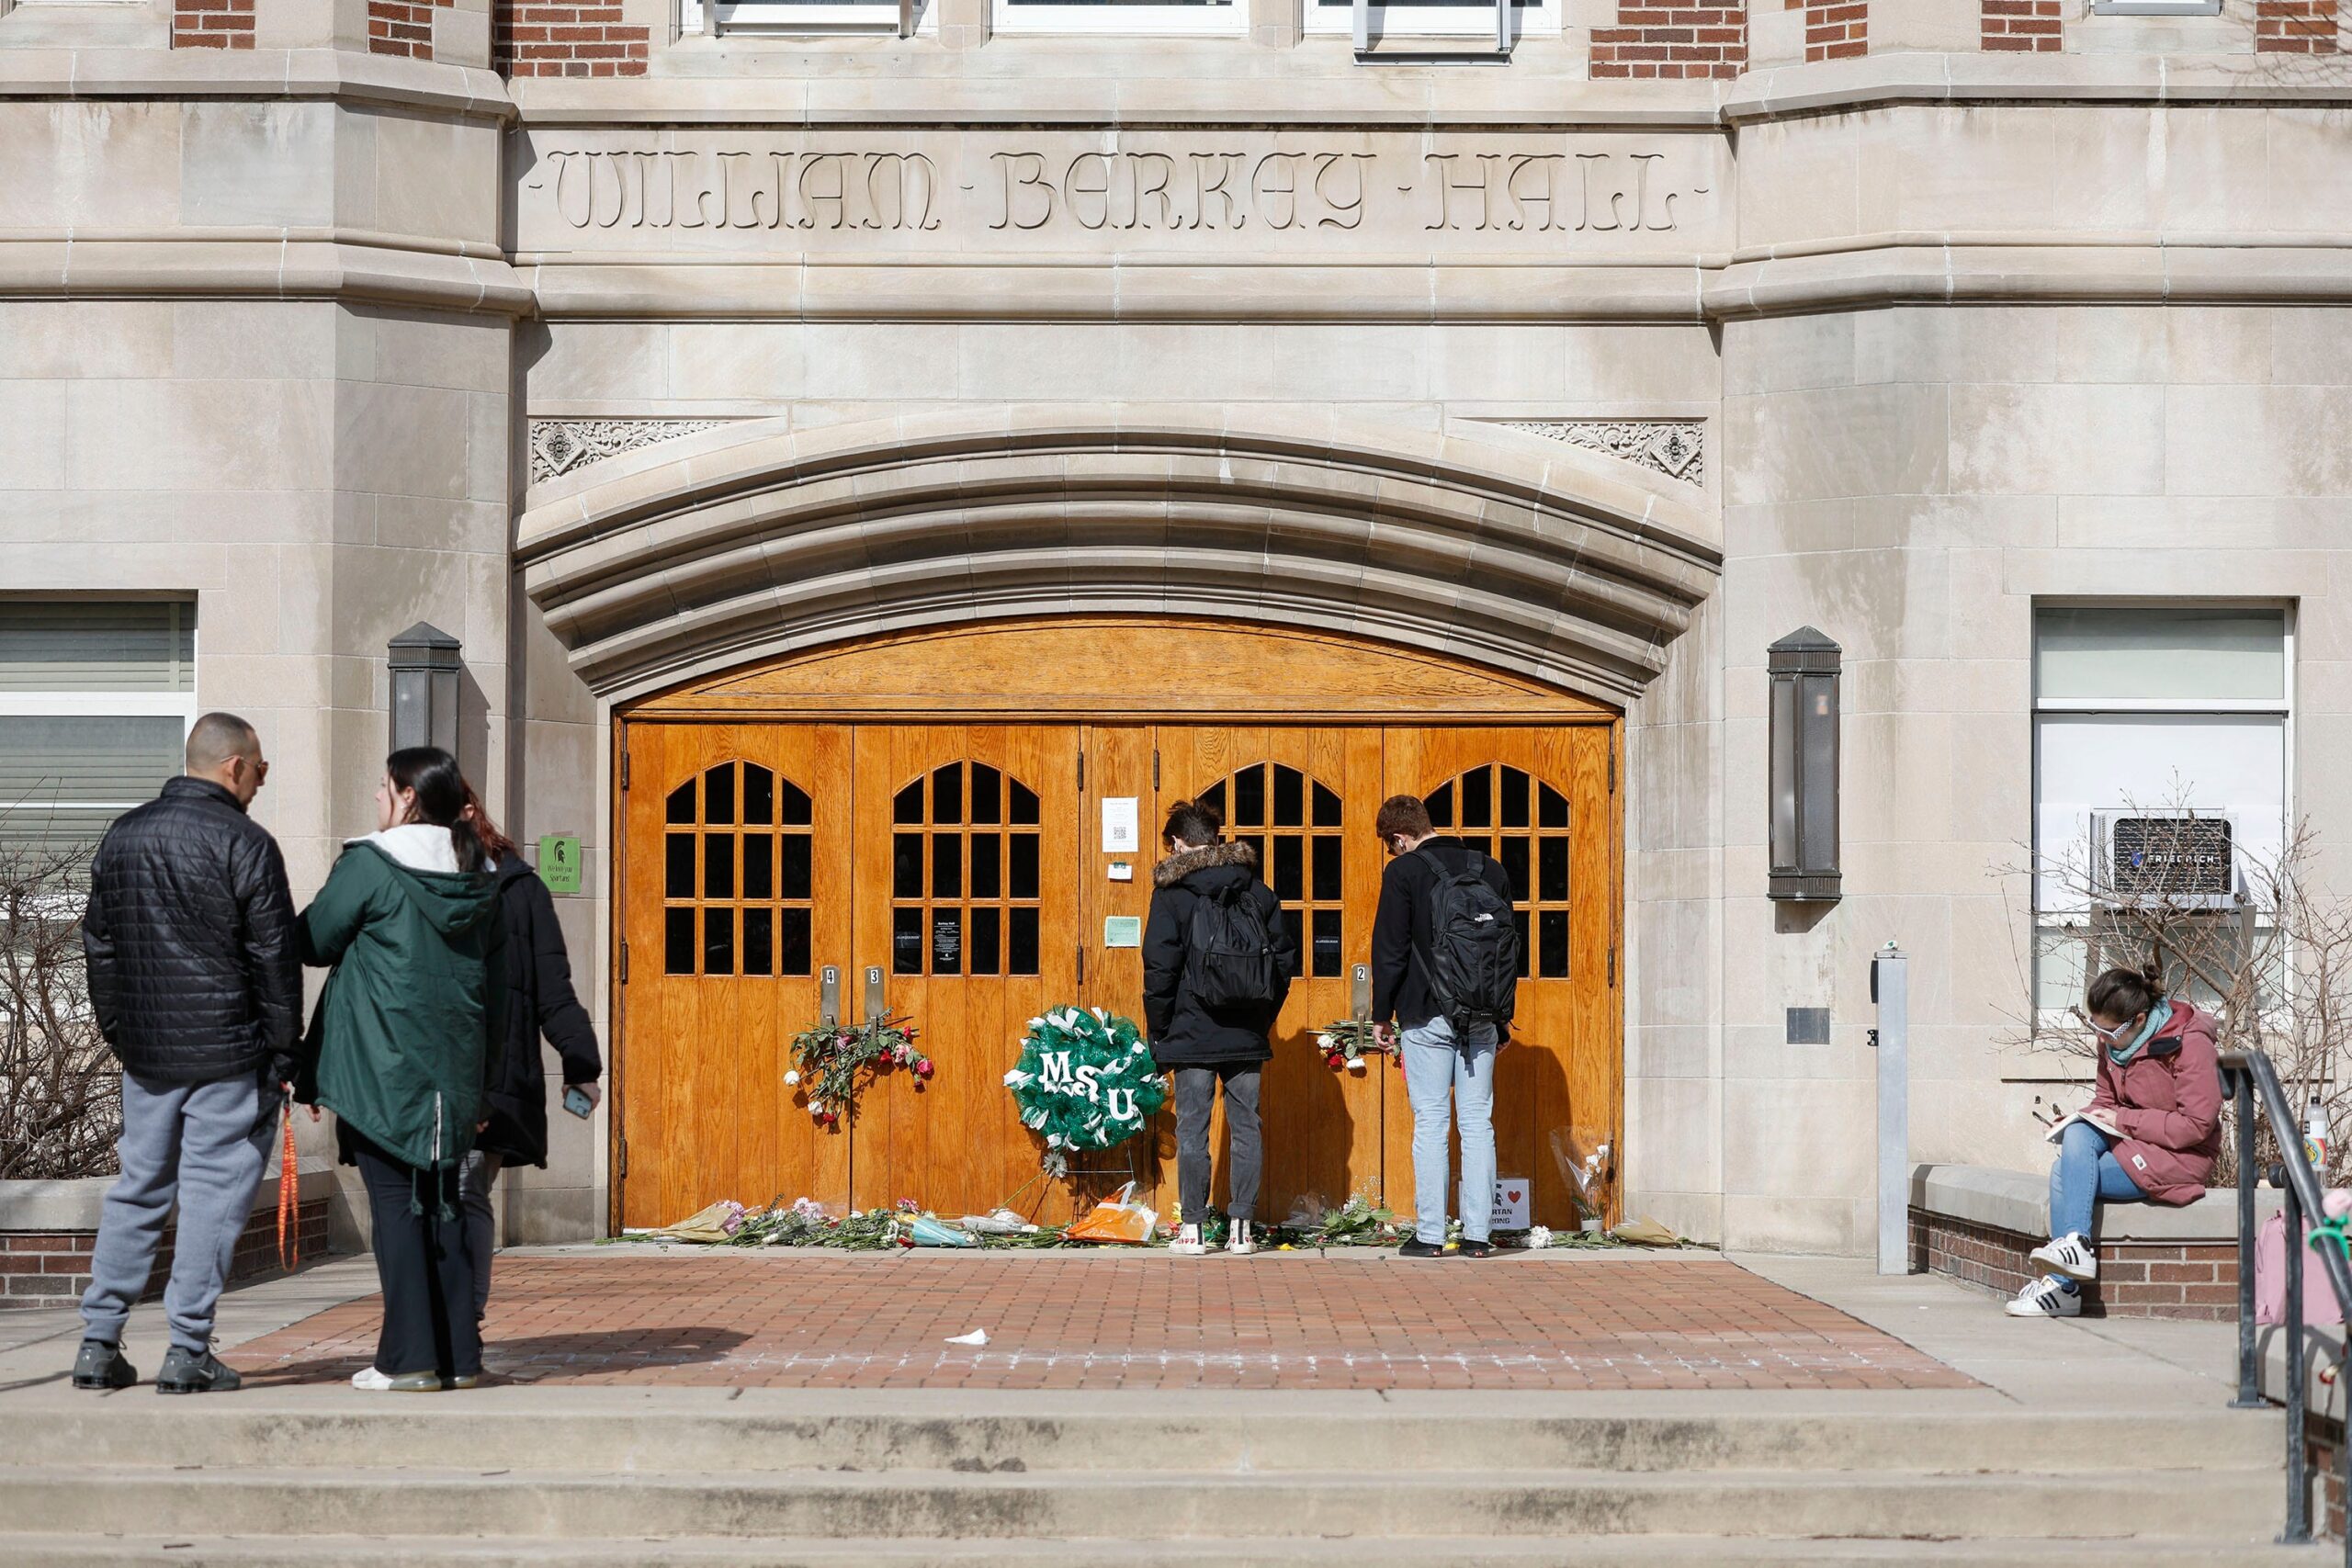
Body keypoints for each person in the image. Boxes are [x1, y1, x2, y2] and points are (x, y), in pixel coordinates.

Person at [73, 713, 300, 1394]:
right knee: (210, 1198)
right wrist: (285, 1052)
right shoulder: (248, 843)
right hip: (229, 1054)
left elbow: (100, 947)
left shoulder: (124, 835)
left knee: (137, 1190)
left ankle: (96, 1341)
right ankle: (188, 1348)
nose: (262, 780)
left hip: (149, 1057)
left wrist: (124, 1032)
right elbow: (274, 959)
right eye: (260, 768)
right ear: (234, 766)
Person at [296, 747, 504, 1391]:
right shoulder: (478, 872)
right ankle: (458, 1358)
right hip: (452, 1071)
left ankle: (409, 1358)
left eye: (384, 788)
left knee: (396, 1209)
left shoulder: (372, 864)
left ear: (408, 796)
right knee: (440, 1206)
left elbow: (312, 940)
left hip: (382, 1070)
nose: (377, 799)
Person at [456, 788, 602, 1328]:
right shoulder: (413, 878)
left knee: (465, 1186)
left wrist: (581, 1063)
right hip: (426, 1077)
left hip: (496, 1079)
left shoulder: (521, 889)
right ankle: (431, 1323)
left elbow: (552, 988)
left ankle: (462, 1319)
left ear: (469, 813)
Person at [2007, 964, 2222, 1318]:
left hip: (2180, 1156)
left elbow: (2196, 1125)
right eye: (2095, 1027)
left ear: (2139, 1020)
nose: (2102, 1038)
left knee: (2064, 1176)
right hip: (2133, 1142)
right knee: (2076, 1134)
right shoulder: (2112, 1043)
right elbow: (2106, 1102)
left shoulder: (2191, 1043)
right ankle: (2075, 1247)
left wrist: (2123, 1119)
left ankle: (2063, 1286)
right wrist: (2083, 1116)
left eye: (2109, 1030)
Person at [1369, 794, 1520, 1260]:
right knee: (1478, 1124)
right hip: (1482, 1017)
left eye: (1391, 846)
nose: (1393, 854)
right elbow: (1510, 949)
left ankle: (1430, 1236)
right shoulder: (1489, 868)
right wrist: (1502, 1017)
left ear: (1400, 837)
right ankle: (1478, 1237)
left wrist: (1379, 1015)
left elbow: (1390, 950)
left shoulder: (1404, 872)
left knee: (1431, 1121)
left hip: (1426, 1013)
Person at [1141, 799, 1295, 1258]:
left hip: (1190, 1031)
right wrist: (1262, 1019)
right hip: (1246, 1031)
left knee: (1193, 1129)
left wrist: (1160, 1030)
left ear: (1179, 843)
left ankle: (1193, 1229)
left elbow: (1159, 969)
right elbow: (1283, 964)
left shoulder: (1172, 893)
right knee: (1248, 1126)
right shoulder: (1258, 890)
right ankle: (1242, 1229)